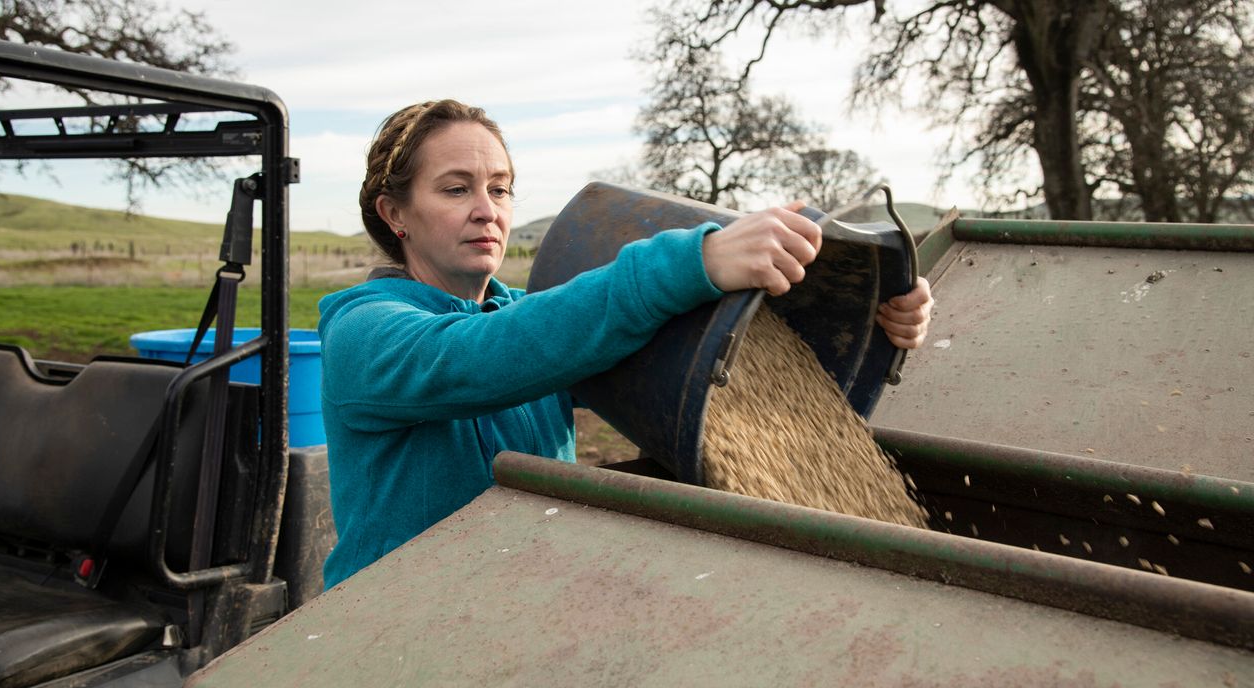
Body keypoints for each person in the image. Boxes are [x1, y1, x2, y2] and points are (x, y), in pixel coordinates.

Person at [318, 99, 933, 589]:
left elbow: (698, 370)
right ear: (395, 213)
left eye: (500, 189)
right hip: (393, 631)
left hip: (521, 610)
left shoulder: (535, 321)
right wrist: (697, 258)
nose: (488, 211)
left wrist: (873, 325)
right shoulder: (366, 333)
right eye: (456, 190)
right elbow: (482, 355)